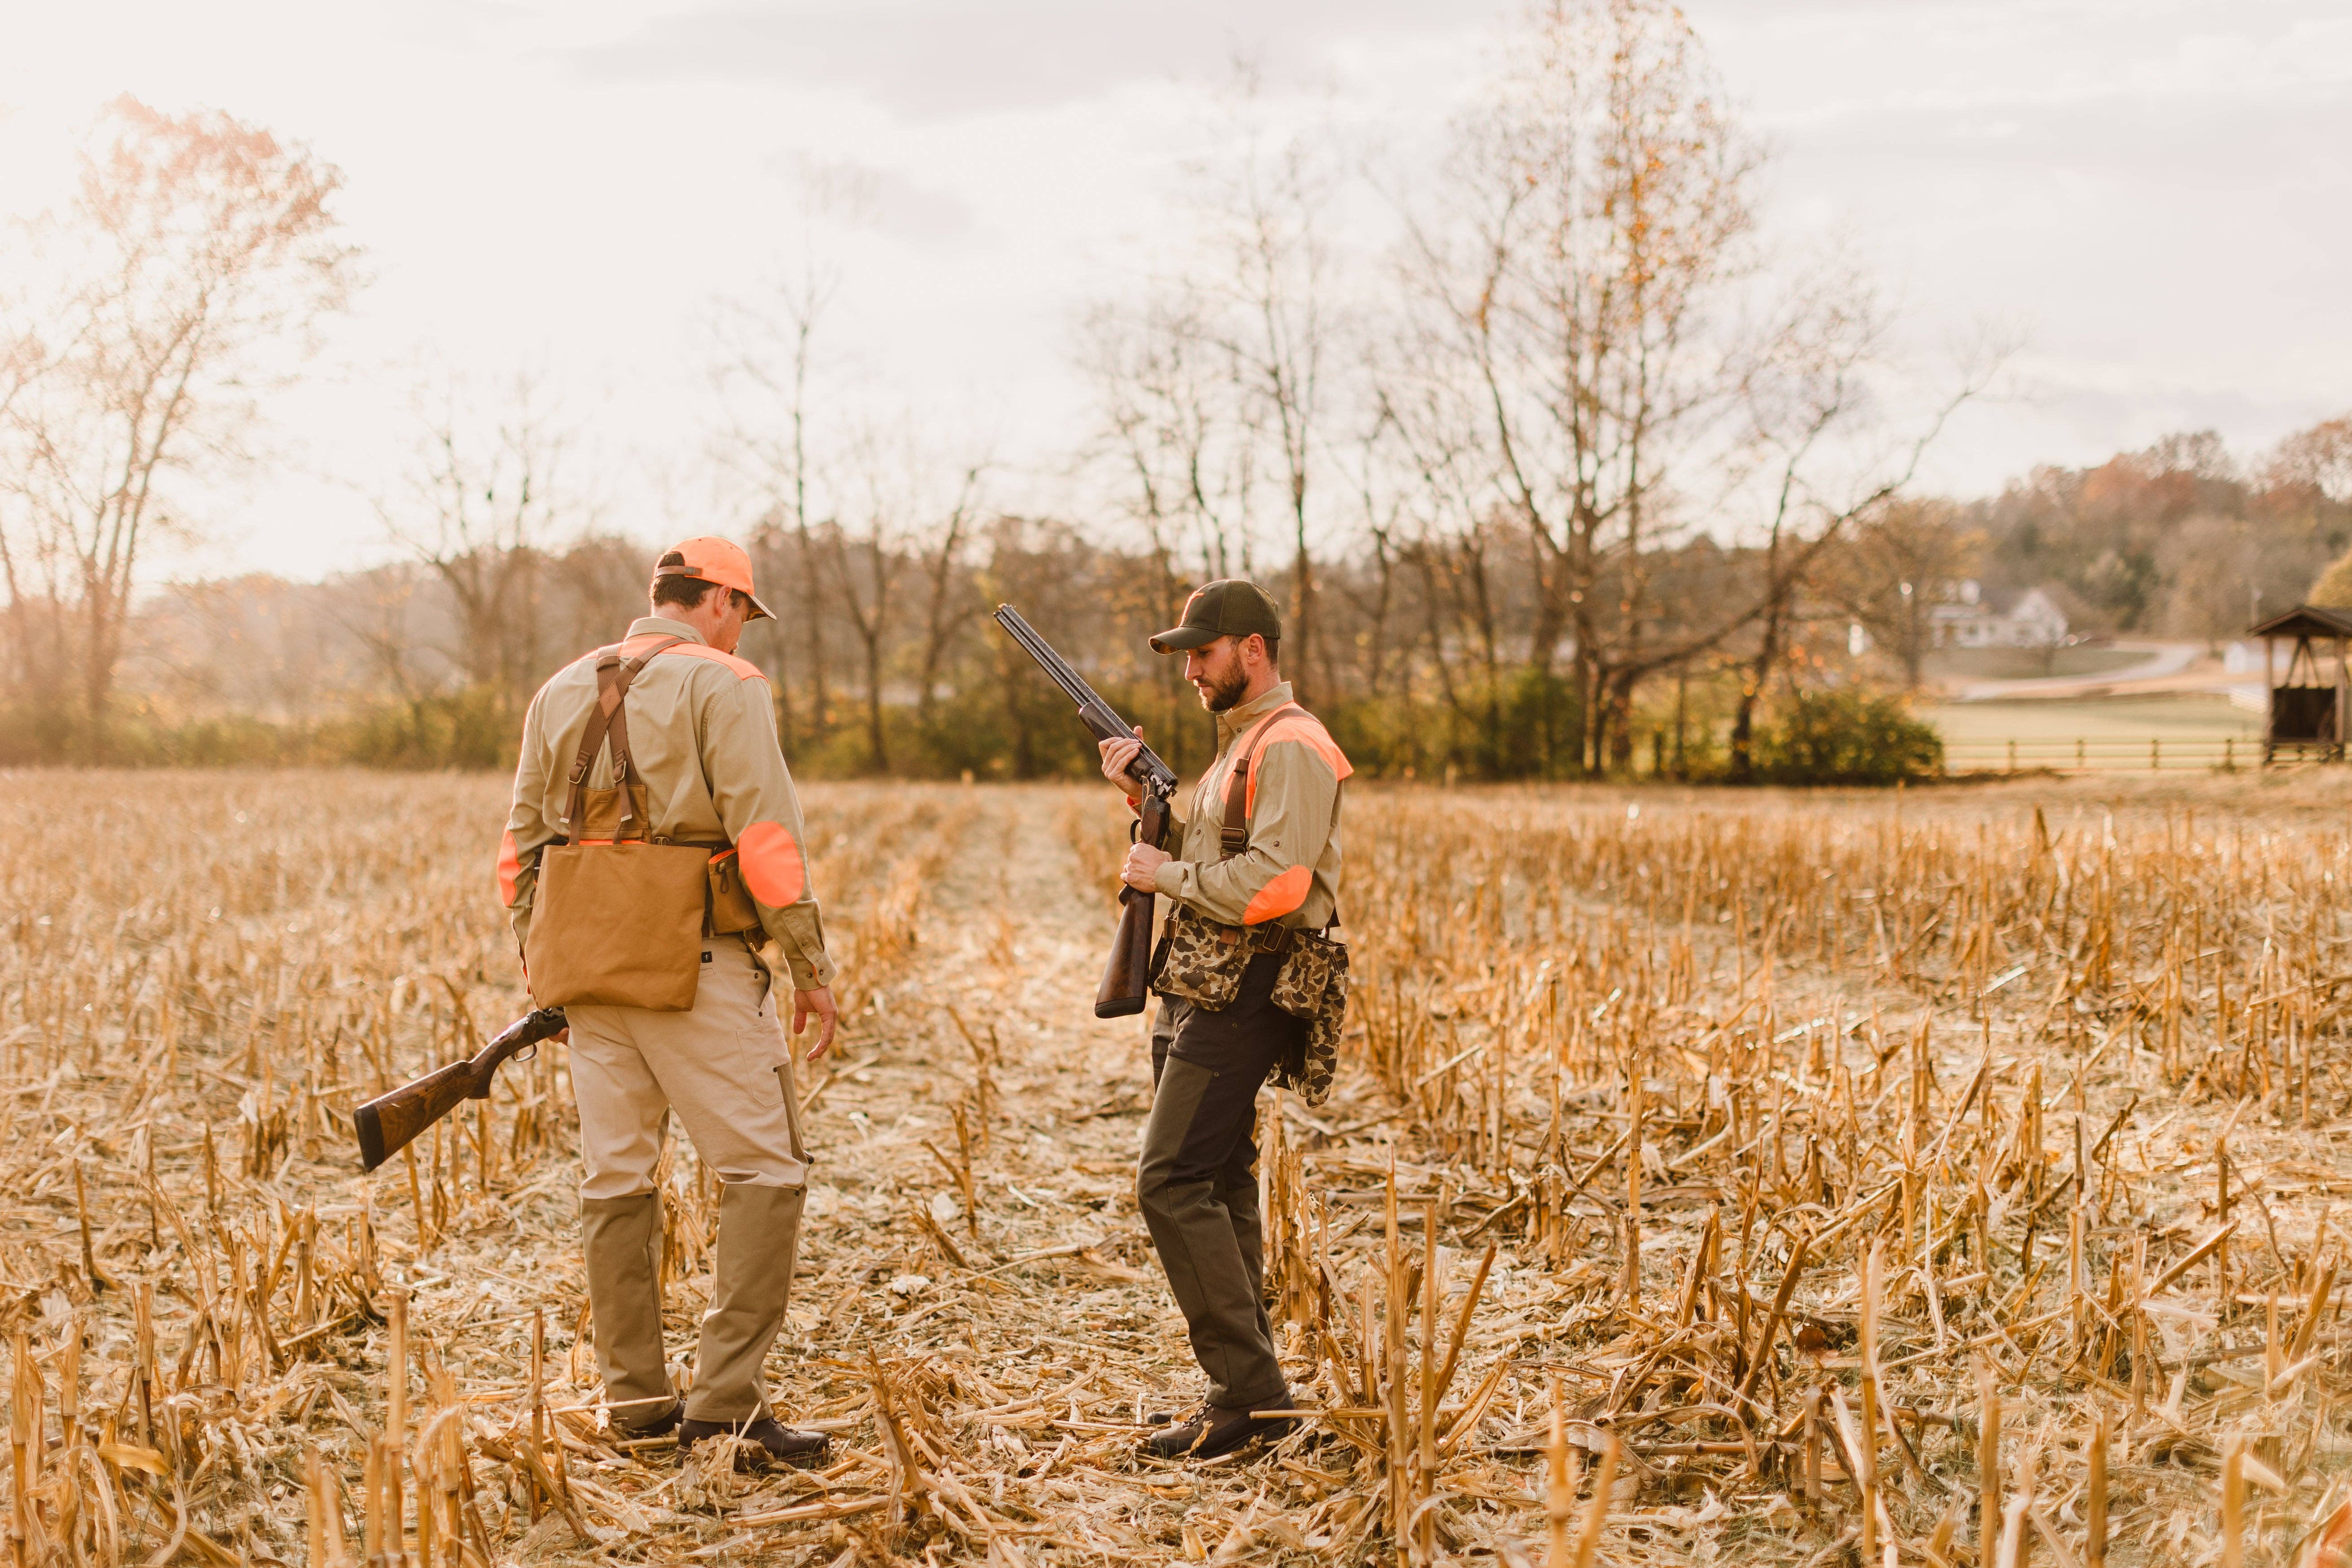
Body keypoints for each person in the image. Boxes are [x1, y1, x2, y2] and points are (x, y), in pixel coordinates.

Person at [499, 536, 841, 1466]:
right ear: (721, 600)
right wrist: (810, 964)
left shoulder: (560, 688)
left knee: (616, 1178)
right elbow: (765, 838)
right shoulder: (726, 686)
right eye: (743, 612)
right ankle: (726, 1408)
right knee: (767, 1171)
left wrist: (546, 968)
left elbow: (520, 850)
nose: (741, 632)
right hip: (694, 965)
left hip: (585, 975)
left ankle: (638, 1403)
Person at [1097, 579, 1351, 1461]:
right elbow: (1213, 854)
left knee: (1167, 1182)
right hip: (1205, 983)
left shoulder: (1290, 745)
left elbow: (1276, 886)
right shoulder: (1240, 747)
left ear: (1252, 649)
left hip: (1249, 988)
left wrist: (1156, 877)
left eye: (1201, 654)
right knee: (1221, 1178)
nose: (1190, 673)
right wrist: (1145, 805)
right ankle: (1241, 1396)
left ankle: (1257, 1395)